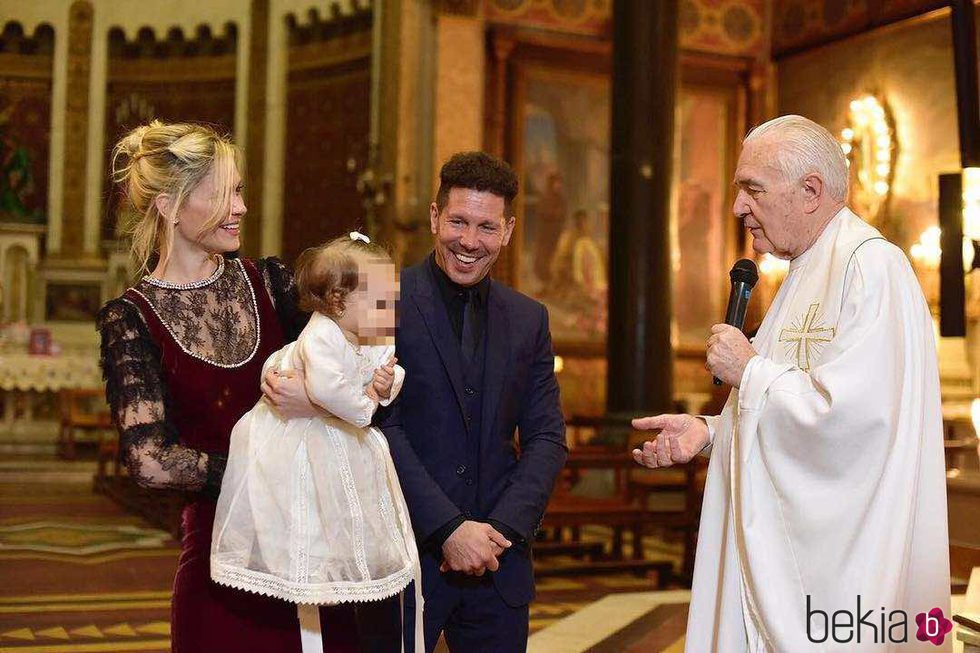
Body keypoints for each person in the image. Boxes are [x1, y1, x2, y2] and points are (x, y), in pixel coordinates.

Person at [632, 115, 950, 652]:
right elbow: (789, 402)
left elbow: (859, 424)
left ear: (810, 191)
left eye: (751, 189)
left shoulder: (873, 269)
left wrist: (750, 371)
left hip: (839, 585)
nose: (737, 208)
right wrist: (711, 431)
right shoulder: (804, 270)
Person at [98, 120, 369, 652]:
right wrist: (262, 468)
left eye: (240, 190)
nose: (242, 207)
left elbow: (357, 359)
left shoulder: (271, 282)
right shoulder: (132, 319)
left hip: (314, 552)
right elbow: (150, 461)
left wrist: (316, 400)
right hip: (221, 563)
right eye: (226, 193)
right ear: (170, 205)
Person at [381, 151, 567, 651]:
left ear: (506, 231)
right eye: (458, 221)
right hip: (405, 559)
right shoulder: (381, 299)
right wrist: (448, 528)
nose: (469, 241)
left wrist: (499, 533)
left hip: (499, 564)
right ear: (434, 216)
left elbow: (547, 437)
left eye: (486, 227)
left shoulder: (530, 318)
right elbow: (380, 429)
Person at [210, 233, 422, 653]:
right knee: (304, 513)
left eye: (392, 300)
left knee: (347, 514)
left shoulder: (377, 331)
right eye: (381, 302)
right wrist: (366, 407)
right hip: (294, 437)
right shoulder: (321, 335)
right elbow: (328, 390)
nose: (390, 312)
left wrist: (386, 384)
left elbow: (390, 371)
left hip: (339, 437)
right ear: (340, 302)